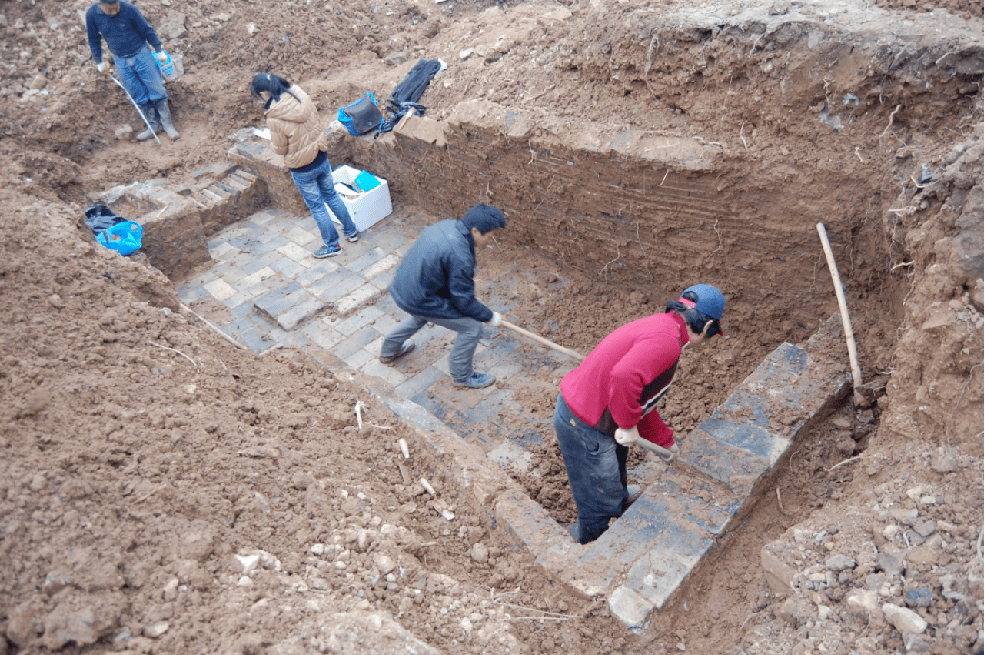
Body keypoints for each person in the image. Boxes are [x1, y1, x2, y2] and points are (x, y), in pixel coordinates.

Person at [554, 284, 727, 544]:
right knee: (598, 495)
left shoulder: (663, 325)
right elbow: (624, 377)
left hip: (598, 411)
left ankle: (619, 498)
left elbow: (644, 402)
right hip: (584, 422)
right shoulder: (667, 343)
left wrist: (666, 444)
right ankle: (590, 541)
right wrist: (627, 422)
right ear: (707, 326)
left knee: (616, 462)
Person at [380, 204, 507, 389]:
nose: (491, 240)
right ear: (475, 231)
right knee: (472, 328)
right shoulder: (460, 255)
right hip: (419, 297)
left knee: (420, 316)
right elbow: (463, 301)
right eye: (490, 235)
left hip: (406, 286)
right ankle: (462, 377)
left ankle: (388, 351)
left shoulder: (447, 225)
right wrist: (490, 316)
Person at [250, 73, 359, 259]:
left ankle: (332, 245)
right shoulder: (299, 94)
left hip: (302, 167)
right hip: (320, 154)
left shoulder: (274, 117)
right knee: (331, 195)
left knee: (317, 207)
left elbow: (280, 148)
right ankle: (351, 231)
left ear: (264, 93)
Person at [86, 0, 179, 140]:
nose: (114, 12)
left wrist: (159, 49)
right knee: (137, 94)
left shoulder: (128, 8)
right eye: (110, 9)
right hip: (120, 60)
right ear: (100, 5)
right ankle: (154, 125)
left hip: (141, 54)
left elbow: (146, 29)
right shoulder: (92, 14)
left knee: (157, 90)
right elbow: (93, 39)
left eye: (116, 8)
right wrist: (98, 61)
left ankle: (167, 125)